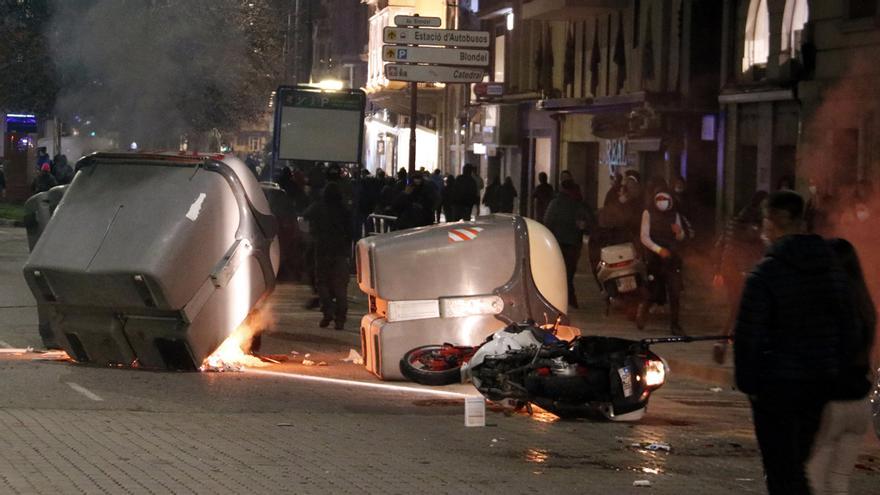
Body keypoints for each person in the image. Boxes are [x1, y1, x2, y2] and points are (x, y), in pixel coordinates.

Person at [734, 190, 860, 495]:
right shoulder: (832, 269)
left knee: (782, 470)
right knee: (796, 464)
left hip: (776, 389)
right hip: (818, 386)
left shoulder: (765, 274)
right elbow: (850, 325)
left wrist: (750, 384)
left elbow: (748, 336)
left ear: (773, 222)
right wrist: (836, 372)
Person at [806, 238, 877, 495]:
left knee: (813, 478)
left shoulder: (828, 305)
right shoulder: (864, 305)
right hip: (859, 405)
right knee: (839, 481)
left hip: (831, 404)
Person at [711, 190, 768, 363]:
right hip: (744, 270)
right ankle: (725, 342)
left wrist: (720, 270)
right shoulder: (754, 225)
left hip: (733, 270)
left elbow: (722, 245)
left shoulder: (736, 221)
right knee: (740, 308)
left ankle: (727, 342)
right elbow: (749, 248)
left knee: (738, 307)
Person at [303, 182, 353, 330]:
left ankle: (328, 311)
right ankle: (340, 318)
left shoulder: (318, 207)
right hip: (340, 251)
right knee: (340, 287)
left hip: (322, 249)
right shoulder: (344, 210)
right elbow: (351, 231)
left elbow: (305, 216)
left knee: (322, 283)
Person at [637, 190, 686, 334]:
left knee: (675, 292)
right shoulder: (648, 213)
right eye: (659, 199)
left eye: (665, 199)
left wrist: (679, 233)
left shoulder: (674, 215)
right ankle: (643, 311)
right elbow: (644, 237)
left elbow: (681, 237)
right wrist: (659, 250)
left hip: (671, 259)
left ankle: (675, 325)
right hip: (655, 259)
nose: (662, 202)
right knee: (654, 290)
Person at [544, 179, 589, 309]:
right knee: (569, 272)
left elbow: (547, 221)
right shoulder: (577, 204)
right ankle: (570, 298)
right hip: (573, 244)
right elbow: (585, 223)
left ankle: (560, 299)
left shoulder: (555, 204)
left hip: (557, 243)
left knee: (559, 272)